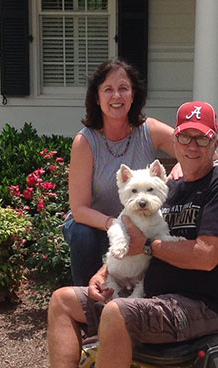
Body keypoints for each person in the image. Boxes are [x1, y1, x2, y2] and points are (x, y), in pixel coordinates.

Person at [5, 101, 218, 368]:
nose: (193, 146)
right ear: (176, 141)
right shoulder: (171, 186)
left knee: (119, 313)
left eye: (203, 138)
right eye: (186, 137)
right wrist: (103, 272)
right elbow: (132, 233)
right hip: (150, 293)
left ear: (216, 144)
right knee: (64, 300)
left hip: (199, 306)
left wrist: (148, 247)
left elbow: (205, 256)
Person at [63, 59, 178, 286]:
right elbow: (79, 209)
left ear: (133, 95)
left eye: (123, 88)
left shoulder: (149, 130)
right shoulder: (85, 141)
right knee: (81, 236)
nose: (117, 96)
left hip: (143, 220)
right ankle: (88, 304)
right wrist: (117, 226)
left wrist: (180, 165)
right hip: (96, 223)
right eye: (108, 90)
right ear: (97, 98)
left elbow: (194, 150)